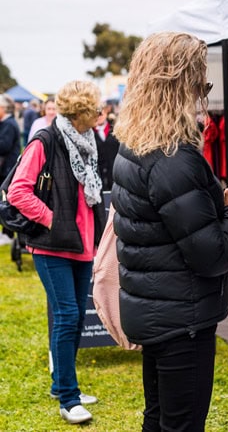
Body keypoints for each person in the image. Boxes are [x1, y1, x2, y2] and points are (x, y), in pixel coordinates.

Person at [111, 31, 228, 431]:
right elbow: (212, 255)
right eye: (203, 84)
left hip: (156, 307)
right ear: (181, 86)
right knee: (180, 424)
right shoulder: (172, 158)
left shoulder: (135, 145)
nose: (205, 94)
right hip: (182, 317)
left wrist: (218, 201)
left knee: (160, 416)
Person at [7, 80, 106, 424]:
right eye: (96, 107)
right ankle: (68, 397)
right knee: (66, 316)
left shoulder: (89, 142)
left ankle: (63, 385)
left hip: (80, 243)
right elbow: (18, 191)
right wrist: (52, 221)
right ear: (81, 111)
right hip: (52, 245)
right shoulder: (46, 141)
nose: (101, 112)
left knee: (76, 315)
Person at [93, 103, 119, 191]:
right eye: (97, 114)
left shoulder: (115, 130)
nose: (99, 116)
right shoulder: (89, 132)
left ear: (106, 113)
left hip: (114, 174)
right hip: (98, 176)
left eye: (101, 113)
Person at [0, 94, 21, 182]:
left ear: (3, 108)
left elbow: (4, 147)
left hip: (6, 168)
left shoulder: (9, 124)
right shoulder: (6, 122)